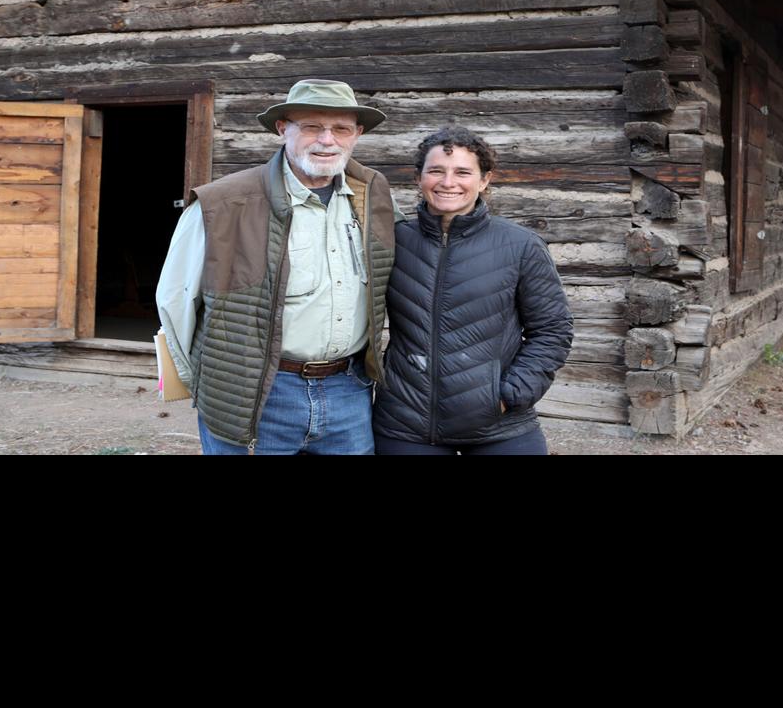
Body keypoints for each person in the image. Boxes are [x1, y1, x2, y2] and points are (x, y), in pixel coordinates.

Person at [156, 79, 397, 455]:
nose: (327, 140)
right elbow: (175, 305)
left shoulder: (373, 195)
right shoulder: (221, 204)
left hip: (349, 391)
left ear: (357, 134)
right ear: (284, 129)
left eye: (341, 129)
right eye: (312, 127)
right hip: (259, 394)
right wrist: (211, 389)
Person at [372, 126, 573, 455]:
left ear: (484, 180)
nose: (448, 182)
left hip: (500, 426)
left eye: (463, 172)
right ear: (419, 178)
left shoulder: (520, 245)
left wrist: (510, 395)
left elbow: (552, 329)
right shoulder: (393, 241)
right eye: (436, 170)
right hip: (406, 425)